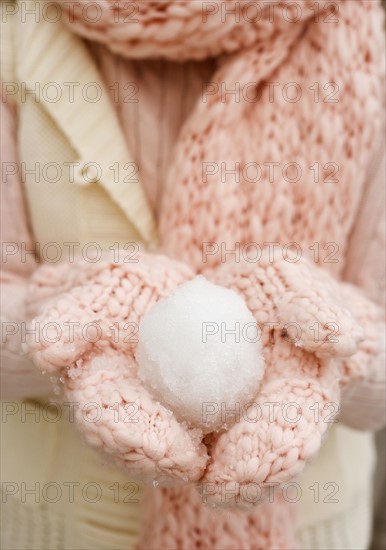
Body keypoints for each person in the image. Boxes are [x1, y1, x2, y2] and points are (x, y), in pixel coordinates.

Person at [1, 1, 385, 549]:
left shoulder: (357, 38)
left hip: (312, 532)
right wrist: (82, 314)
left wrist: (323, 344)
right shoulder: (19, 25)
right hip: (63, 530)